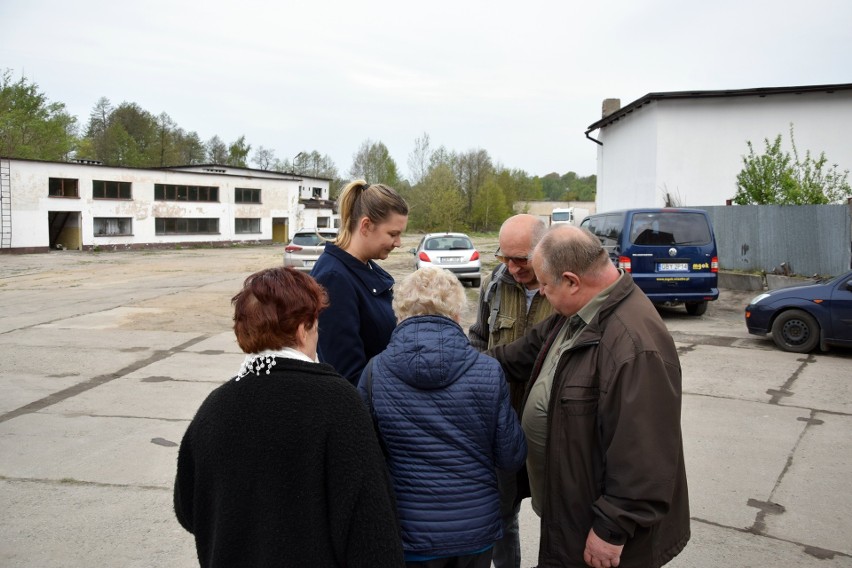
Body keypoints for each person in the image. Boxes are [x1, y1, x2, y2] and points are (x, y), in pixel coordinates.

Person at [173, 266, 405, 568]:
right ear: (302, 329)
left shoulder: (213, 409)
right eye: (317, 325)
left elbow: (188, 511)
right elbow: (373, 533)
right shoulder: (337, 402)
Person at [490, 225, 690, 568]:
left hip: (601, 531)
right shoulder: (577, 315)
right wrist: (456, 361)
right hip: (569, 508)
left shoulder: (633, 345)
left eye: (545, 287)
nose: (543, 294)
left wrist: (612, 528)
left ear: (571, 280)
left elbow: (645, 454)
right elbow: (516, 355)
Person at [358, 266, 527, 568]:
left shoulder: (375, 372)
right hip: (475, 530)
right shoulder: (488, 371)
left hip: (409, 529)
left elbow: (365, 456)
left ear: (400, 314)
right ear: (457, 314)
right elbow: (511, 455)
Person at [468, 213, 553, 568]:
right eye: (505, 257)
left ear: (543, 250)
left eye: (521, 258)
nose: (513, 267)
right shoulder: (494, 283)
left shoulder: (564, 285)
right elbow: (478, 339)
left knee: (559, 517)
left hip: (553, 429)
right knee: (501, 517)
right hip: (501, 425)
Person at [311, 179, 409, 385]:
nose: (399, 243)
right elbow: (348, 376)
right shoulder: (334, 279)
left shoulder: (363, 267)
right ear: (366, 225)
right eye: (393, 234)